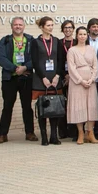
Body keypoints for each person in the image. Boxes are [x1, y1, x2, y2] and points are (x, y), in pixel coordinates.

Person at [0, 17, 37, 144]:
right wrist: (15, 68)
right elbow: (1, 58)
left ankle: (29, 133)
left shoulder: (31, 40)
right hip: (9, 78)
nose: (18, 26)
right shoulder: (5, 40)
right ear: (11, 26)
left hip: (26, 78)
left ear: (24, 26)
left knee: (27, 107)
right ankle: (3, 134)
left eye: (20, 24)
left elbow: (36, 58)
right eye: (15, 25)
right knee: (7, 107)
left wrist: (25, 67)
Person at [31, 16, 65, 146]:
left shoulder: (56, 41)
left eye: (52, 25)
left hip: (55, 79)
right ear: (42, 27)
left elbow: (61, 60)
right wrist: (43, 77)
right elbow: (34, 62)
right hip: (41, 80)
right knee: (43, 108)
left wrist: (57, 76)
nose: (51, 27)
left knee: (54, 108)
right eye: (48, 25)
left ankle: (54, 136)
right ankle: (44, 136)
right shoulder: (36, 42)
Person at [66, 26, 98, 144]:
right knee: (79, 106)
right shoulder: (72, 50)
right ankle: (80, 133)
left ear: (87, 36)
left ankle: (90, 132)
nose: (82, 36)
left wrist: (91, 79)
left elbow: (95, 65)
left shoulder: (91, 49)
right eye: (80, 34)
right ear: (76, 36)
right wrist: (81, 80)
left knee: (91, 106)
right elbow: (71, 68)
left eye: (84, 34)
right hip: (77, 83)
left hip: (90, 82)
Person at [58, 20, 77, 140]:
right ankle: (62, 131)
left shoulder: (77, 42)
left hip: (74, 77)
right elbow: (57, 60)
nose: (68, 30)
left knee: (73, 104)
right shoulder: (58, 43)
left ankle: (73, 130)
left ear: (73, 29)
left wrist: (71, 75)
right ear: (62, 29)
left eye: (70, 27)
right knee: (62, 104)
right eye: (65, 28)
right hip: (62, 76)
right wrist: (64, 75)